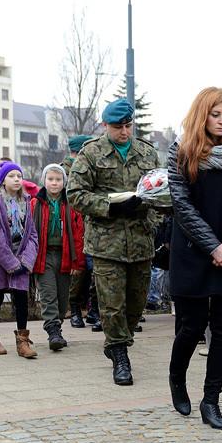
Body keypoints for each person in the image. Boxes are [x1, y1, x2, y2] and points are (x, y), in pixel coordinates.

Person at [167, 87, 222, 430]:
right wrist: (212, 246)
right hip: (194, 254)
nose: (221, 121)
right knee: (191, 327)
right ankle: (176, 378)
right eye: (215, 114)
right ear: (203, 115)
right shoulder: (181, 152)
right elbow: (182, 207)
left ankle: (211, 401)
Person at [68, 98, 159, 386]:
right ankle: (120, 355)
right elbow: (76, 195)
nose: (124, 132)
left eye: (128, 126)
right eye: (118, 126)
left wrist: (154, 218)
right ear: (105, 125)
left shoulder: (146, 153)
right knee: (111, 305)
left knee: (136, 304)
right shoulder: (91, 154)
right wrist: (110, 206)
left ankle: (120, 341)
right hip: (106, 245)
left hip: (141, 241)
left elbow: (161, 190)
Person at [31, 164, 85, 351]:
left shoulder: (71, 205)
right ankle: (53, 332)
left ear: (64, 182)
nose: (54, 183)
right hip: (43, 256)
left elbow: (78, 235)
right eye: (50, 179)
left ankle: (57, 327)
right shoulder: (35, 204)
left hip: (65, 256)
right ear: (44, 181)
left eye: (58, 179)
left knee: (63, 299)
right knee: (48, 295)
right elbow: (29, 234)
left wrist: (77, 261)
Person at [0, 162, 39, 358]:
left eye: (18, 176)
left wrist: (26, 261)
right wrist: (10, 263)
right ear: (2, 181)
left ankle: (22, 342)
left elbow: (32, 234)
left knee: (22, 300)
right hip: (2, 260)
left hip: (21, 260)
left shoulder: (26, 202)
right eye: (11, 176)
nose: (16, 179)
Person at [63, 135, 92, 329]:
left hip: (88, 222)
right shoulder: (65, 170)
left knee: (90, 269)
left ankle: (85, 308)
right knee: (77, 268)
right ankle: (73, 308)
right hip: (72, 223)